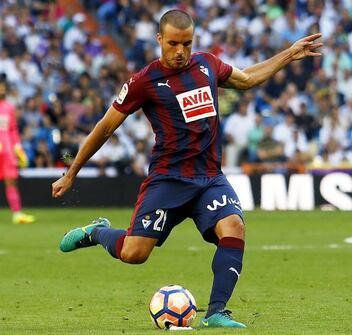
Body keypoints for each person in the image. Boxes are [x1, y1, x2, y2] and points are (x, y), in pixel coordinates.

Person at [52, 10, 322, 329]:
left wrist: (289, 54)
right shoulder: (143, 82)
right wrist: (72, 172)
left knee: (234, 226)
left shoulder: (207, 64)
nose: (180, 51)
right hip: (168, 181)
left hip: (209, 178)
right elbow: (105, 127)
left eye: (187, 44)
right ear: (159, 40)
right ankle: (96, 232)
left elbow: (247, 79)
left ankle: (216, 312)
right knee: (134, 253)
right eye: (173, 44)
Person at [0, 80, 35, 224]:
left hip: (7, 149)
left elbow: (13, 129)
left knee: (11, 181)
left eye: (2, 87)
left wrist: (18, 148)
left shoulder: (9, 107)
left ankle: (17, 214)